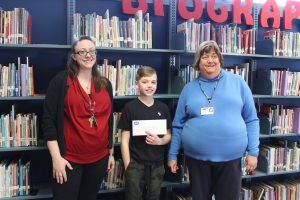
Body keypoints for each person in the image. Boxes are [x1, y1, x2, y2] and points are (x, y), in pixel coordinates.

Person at [168, 40, 259, 200]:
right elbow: (177, 125)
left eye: (214, 56)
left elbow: (251, 120)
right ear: (198, 61)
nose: (210, 60)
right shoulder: (188, 89)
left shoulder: (238, 83)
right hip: (197, 160)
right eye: (205, 57)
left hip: (231, 159)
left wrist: (253, 152)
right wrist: (172, 154)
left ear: (220, 59)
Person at [42, 36, 115, 200]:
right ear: (74, 56)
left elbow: (109, 121)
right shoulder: (60, 82)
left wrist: (110, 153)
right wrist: (56, 158)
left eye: (91, 51)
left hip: (99, 158)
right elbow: (48, 122)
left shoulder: (106, 84)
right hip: (68, 160)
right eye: (82, 51)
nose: (88, 55)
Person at [118, 66, 172, 200]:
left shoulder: (163, 108)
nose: (149, 86)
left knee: (153, 196)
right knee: (133, 197)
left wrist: (160, 141)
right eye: (145, 81)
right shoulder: (130, 108)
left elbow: (168, 135)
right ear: (137, 84)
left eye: (153, 82)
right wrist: (128, 167)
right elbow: (124, 141)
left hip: (157, 164)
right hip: (136, 164)